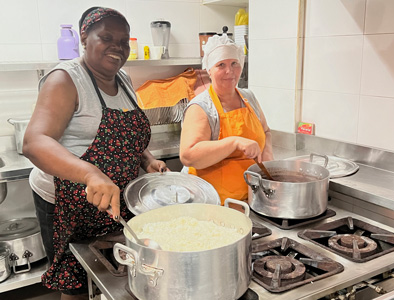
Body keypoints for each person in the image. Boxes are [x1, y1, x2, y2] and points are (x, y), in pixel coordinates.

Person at [23, 7, 168, 300]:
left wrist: (148, 160)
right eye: (107, 37)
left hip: (112, 197)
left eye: (124, 41)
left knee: (111, 275)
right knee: (75, 285)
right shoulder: (65, 79)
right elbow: (34, 143)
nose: (118, 47)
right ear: (84, 39)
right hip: (66, 204)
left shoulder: (123, 79)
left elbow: (128, 135)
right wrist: (90, 173)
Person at [179, 34, 273, 206]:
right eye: (221, 65)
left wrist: (266, 154)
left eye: (234, 63)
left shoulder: (248, 97)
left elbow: (266, 131)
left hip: (248, 199)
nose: (229, 71)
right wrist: (234, 142)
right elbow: (188, 155)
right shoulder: (201, 106)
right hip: (211, 203)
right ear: (209, 69)